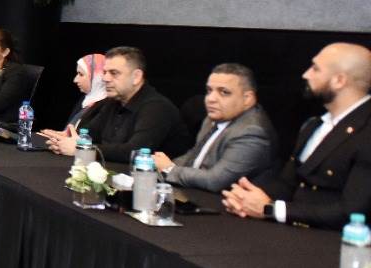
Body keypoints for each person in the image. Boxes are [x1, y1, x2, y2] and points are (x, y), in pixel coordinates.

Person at [224, 43, 371, 229]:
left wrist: (271, 209)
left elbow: (352, 212)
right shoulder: (314, 125)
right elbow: (288, 184)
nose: (306, 74)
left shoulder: (366, 132)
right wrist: (245, 198)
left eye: (315, 68)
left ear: (339, 80)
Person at [37, 46, 190, 164]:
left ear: (136, 77)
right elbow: (90, 134)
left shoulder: (157, 107)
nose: (105, 78)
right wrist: (67, 138)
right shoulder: (113, 101)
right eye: (104, 72)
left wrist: (81, 148)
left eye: (114, 73)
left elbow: (134, 152)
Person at [151, 63, 276, 192]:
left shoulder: (252, 132)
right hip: (196, 193)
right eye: (209, 90)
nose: (211, 99)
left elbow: (215, 181)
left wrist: (170, 169)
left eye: (224, 92)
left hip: (222, 201)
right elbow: (194, 155)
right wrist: (160, 165)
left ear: (247, 98)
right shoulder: (215, 117)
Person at [65, 53, 109, 127]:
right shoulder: (84, 100)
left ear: (97, 77)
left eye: (81, 74)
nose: (75, 80)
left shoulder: (108, 107)